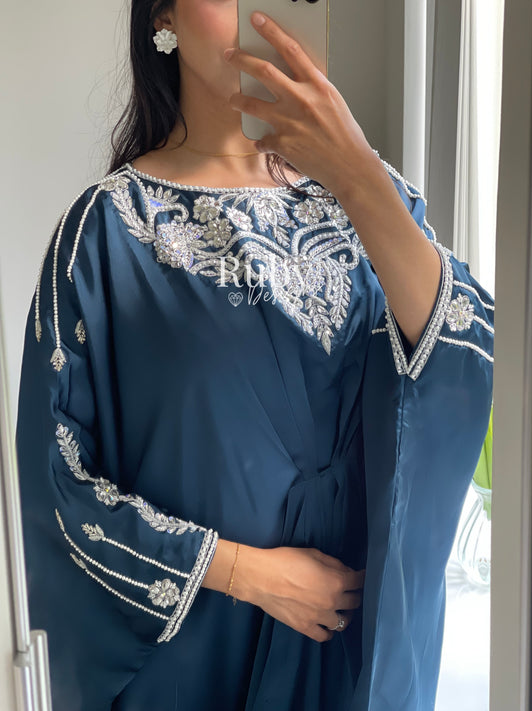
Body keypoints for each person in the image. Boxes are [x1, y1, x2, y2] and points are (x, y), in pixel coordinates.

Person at [15, 2, 494, 710]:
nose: (257, 13)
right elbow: (55, 486)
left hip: (357, 660)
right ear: (163, 17)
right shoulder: (105, 232)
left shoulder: (374, 197)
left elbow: (463, 358)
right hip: (199, 657)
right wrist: (245, 573)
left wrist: (355, 173)